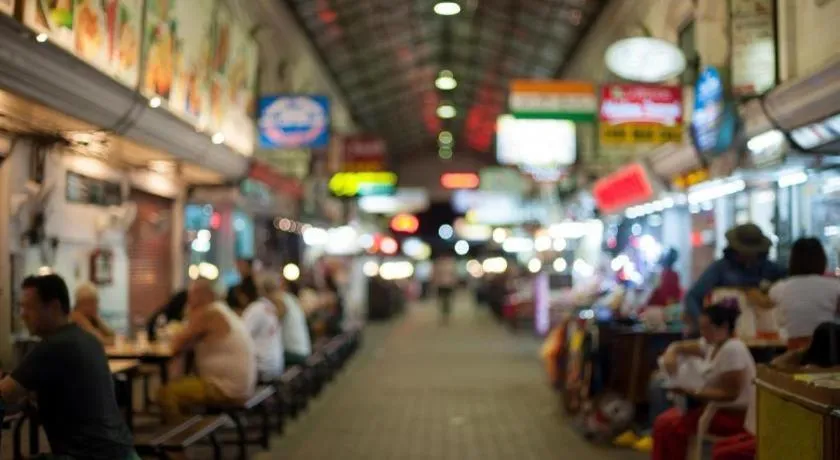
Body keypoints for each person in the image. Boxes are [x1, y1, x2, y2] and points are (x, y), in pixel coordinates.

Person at [0, 274, 137, 460]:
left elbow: (4, 393)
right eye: (21, 307)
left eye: (29, 307)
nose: (23, 314)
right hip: (123, 451)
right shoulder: (88, 340)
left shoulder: (52, 346)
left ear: (54, 307)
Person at [712, 321, 840, 460]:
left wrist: (803, 351)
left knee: (722, 452)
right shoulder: (815, 377)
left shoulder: (792, 376)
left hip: (789, 442)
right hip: (802, 442)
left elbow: (772, 367)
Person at [651, 299, 756, 460]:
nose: (702, 332)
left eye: (707, 328)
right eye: (701, 328)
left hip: (733, 415)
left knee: (669, 426)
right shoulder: (713, 345)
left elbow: (730, 394)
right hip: (715, 409)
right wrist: (672, 351)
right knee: (663, 421)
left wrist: (692, 392)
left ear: (724, 327)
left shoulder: (733, 349)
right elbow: (682, 346)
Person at [157, 278, 256, 423]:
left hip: (226, 387)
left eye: (191, 293)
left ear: (202, 294)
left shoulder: (210, 314)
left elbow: (177, 344)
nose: (188, 298)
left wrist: (191, 314)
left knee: (166, 393)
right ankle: (192, 426)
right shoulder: (221, 310)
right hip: (239, 384)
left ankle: (180, 436)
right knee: (182, 384)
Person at [684, 223, 786, 337]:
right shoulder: (721, 268)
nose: (749, 256)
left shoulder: (769, 268)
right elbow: (692, 297)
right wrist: (702, 321)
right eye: (745, 252)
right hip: (730, 335)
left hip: (767, 334)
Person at [769, 237, 840, 350]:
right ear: (822, 259)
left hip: (792, 353)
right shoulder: (835, 287)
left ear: (792, 260)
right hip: (827, 352)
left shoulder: (779, 288)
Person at [237, 280, 284, 380]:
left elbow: (240, 338)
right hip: (277, 366)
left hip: (263, 368)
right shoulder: (272, 308)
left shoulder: (255, 309)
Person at [262, 275, 311, 367]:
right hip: (303, 349)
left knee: (265, 361)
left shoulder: (278, 300)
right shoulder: (290, 297)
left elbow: (272, 323)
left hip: (294, 353)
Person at [70, 281, 115, 345]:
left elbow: (112, 335)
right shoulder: (76, 317)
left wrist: (97, 319)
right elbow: (99, 341)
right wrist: (109, 340)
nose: (97, 306)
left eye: (97, 302)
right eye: (94, 302)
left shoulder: (91, 317)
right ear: (83, 303)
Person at [432, 253, 458, 324]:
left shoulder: (450, 264)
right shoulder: (438, 264)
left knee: (447, 300)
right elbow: (435, 275)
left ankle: (446, 314)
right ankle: (443, 314)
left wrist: (454, 283)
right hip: (441, 285)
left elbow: (454, 275)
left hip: (448, 285)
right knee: (442, 300)